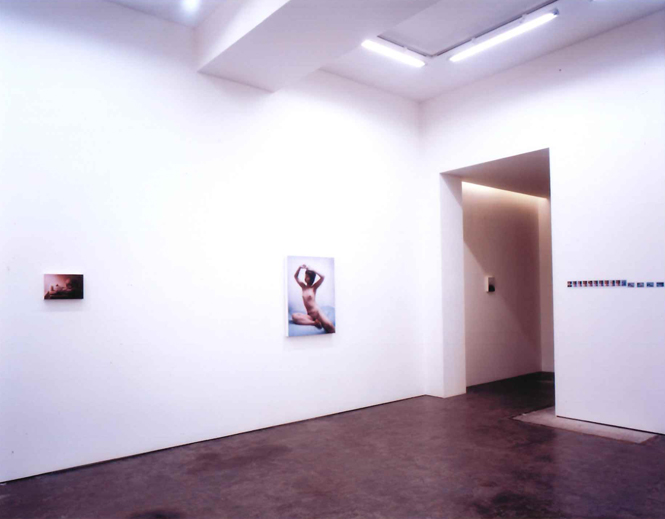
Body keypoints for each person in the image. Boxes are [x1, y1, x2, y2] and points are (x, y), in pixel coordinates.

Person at [291, 264, 335, 333]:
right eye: (305, 276)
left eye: (308, 276)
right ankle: (315, 323)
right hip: (310, 315)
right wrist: (299, 267)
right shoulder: (303, 287)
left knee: (330, 327)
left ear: (311, 278)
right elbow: (295, 276)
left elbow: (323, 277)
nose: (306, 278)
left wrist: (312, 269)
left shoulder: (314, 287)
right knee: (294, 316)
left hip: (317, 312)